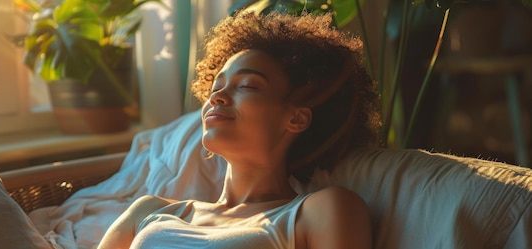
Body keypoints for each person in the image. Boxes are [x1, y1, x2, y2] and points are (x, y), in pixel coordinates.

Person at [98, 10, 381, 249]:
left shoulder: (319, 211)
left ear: (296, 119)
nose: (216, 98)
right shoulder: (149, 211)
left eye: (246, 85)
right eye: (216, 87)